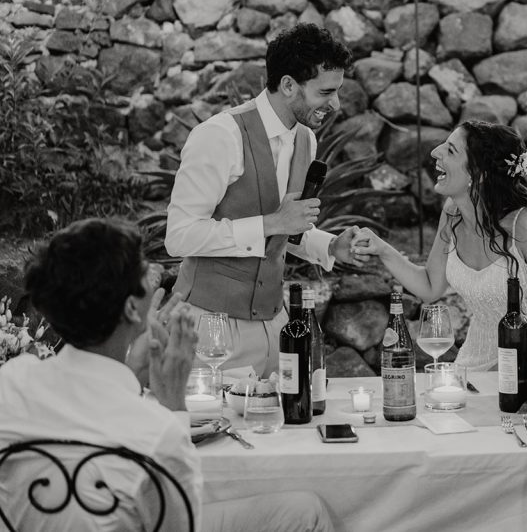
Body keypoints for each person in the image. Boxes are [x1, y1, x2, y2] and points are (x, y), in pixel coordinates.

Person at [0, 218, 333, 532]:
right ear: (132, 308)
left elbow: (89, 412)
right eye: (145, 271)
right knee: (307, 510)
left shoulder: (12, 381)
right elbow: (182, 521)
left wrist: (133, 375)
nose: (156, 275)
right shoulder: (158, 432)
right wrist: (173, 405)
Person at [166, 23, 361, 376]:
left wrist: (331, 246)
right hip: (210, 329)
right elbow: (179, 236)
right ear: (288, 85)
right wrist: (272, 222)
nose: (335, 104)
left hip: (276, 325)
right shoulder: (219, 135)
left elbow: (283, 230)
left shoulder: (306, 140)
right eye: (325, 92)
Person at [352, 121, 527, 371]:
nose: (435, 152)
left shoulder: (526, 225)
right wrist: (382, 249)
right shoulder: (453, 213)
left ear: (479, 173)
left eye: (451, 150)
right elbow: (430, 287)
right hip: (471, 365)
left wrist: (500, 372)